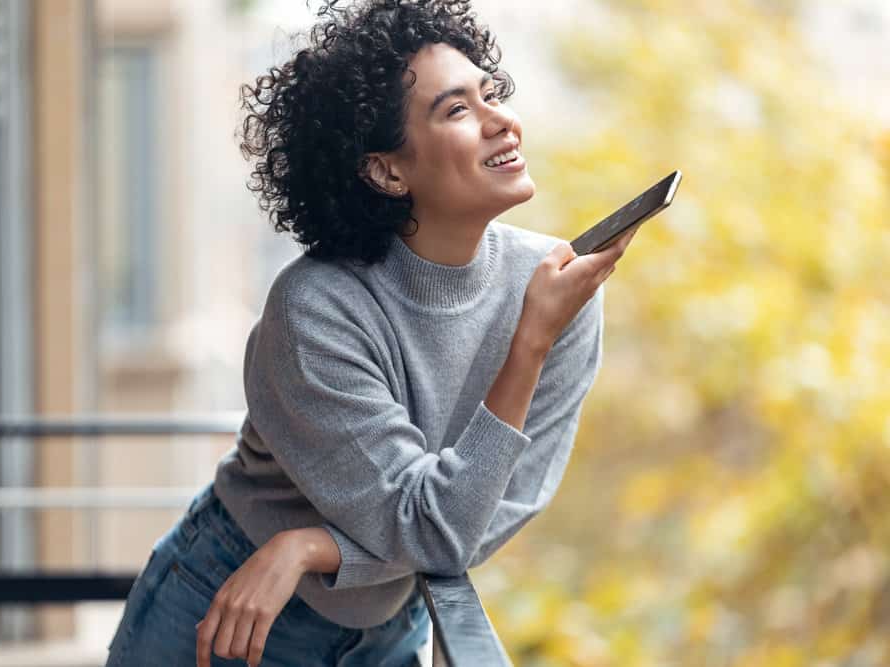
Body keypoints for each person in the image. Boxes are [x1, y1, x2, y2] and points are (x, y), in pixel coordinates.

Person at [106, 1, 637, 665]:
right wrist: (527, 344)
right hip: (229, 611)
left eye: (491, 92)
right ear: (387, 170)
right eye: (457, 109)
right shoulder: (317, 311)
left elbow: (488, 516)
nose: (503, 120)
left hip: (387, 626)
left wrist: (312, 547)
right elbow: (430, 529)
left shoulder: (555, 291)